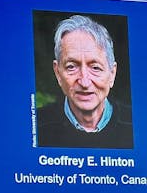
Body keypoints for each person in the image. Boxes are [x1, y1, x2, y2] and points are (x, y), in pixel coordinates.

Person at [36, 15, 132, 149]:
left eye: (95, 68)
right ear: (58, 72)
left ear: (112, 74)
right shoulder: (36, 126)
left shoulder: (136, 125)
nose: (84, 82)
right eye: (71, 67)